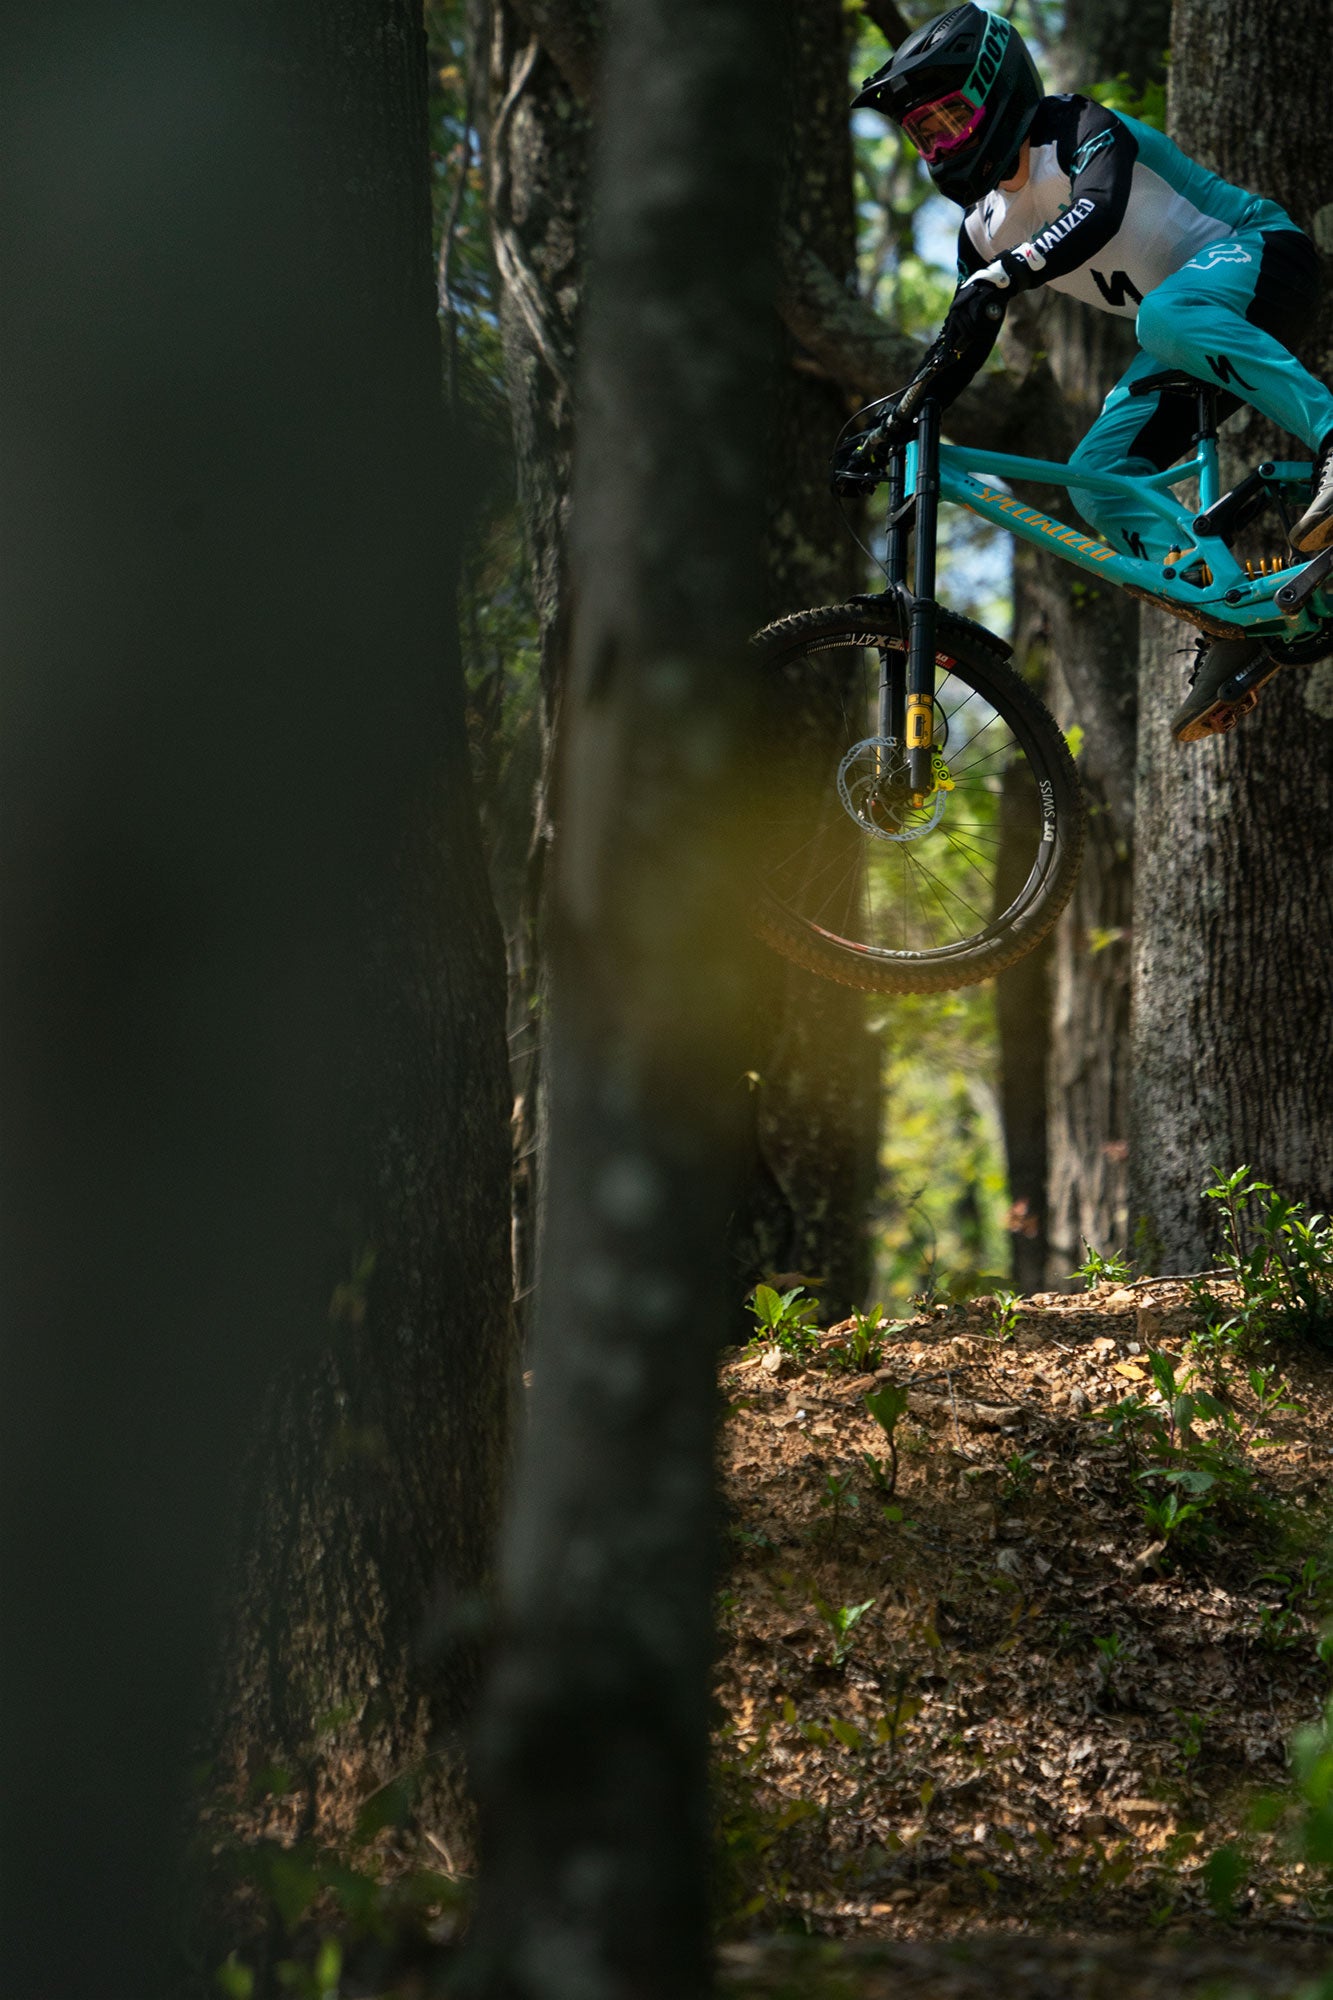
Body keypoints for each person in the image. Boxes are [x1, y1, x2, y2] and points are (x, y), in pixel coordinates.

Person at [839, 2, 1333, 742]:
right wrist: (898, 419)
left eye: (951, 118)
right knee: (1099, 478)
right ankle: (1226, 607)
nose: (942, 143)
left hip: (1264, 257)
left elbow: (1096, 212)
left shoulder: (1072, 127)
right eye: (925, 134)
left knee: (1161, 317)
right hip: (1186, 327)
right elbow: (961, 340)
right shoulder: (981, 230)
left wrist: (1008, 274)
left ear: (996, 86)